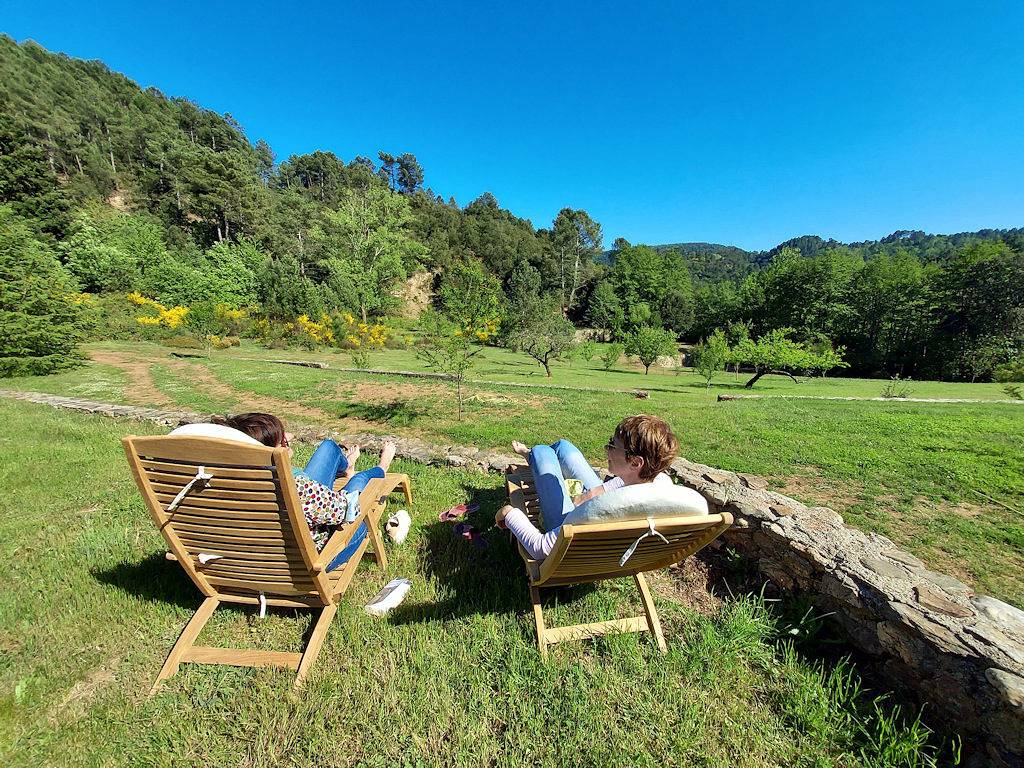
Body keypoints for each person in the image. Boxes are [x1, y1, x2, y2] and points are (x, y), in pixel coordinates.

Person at [171, 413, 396, 552]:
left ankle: (346, 466)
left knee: (328, 447)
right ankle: (382, 466)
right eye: (283, 441)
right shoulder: (295, 488)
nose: (288, 440)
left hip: (231, 563)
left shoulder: (203, 484)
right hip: (308, 563)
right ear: (271, 451)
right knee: (361, 480)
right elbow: (346, 510)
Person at [495, 414, 679, 560]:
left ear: (635, 462)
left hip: (572, 539)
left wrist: (508, 513)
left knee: (542, 452)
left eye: (613, 446)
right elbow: (620, 483)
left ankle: (533, 457)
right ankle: (536, 458)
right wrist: (588, 495)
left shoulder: (600, 510)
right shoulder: (660, 484)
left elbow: (540, 548)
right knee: (563, 447)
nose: (606, 448)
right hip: (603, 532)